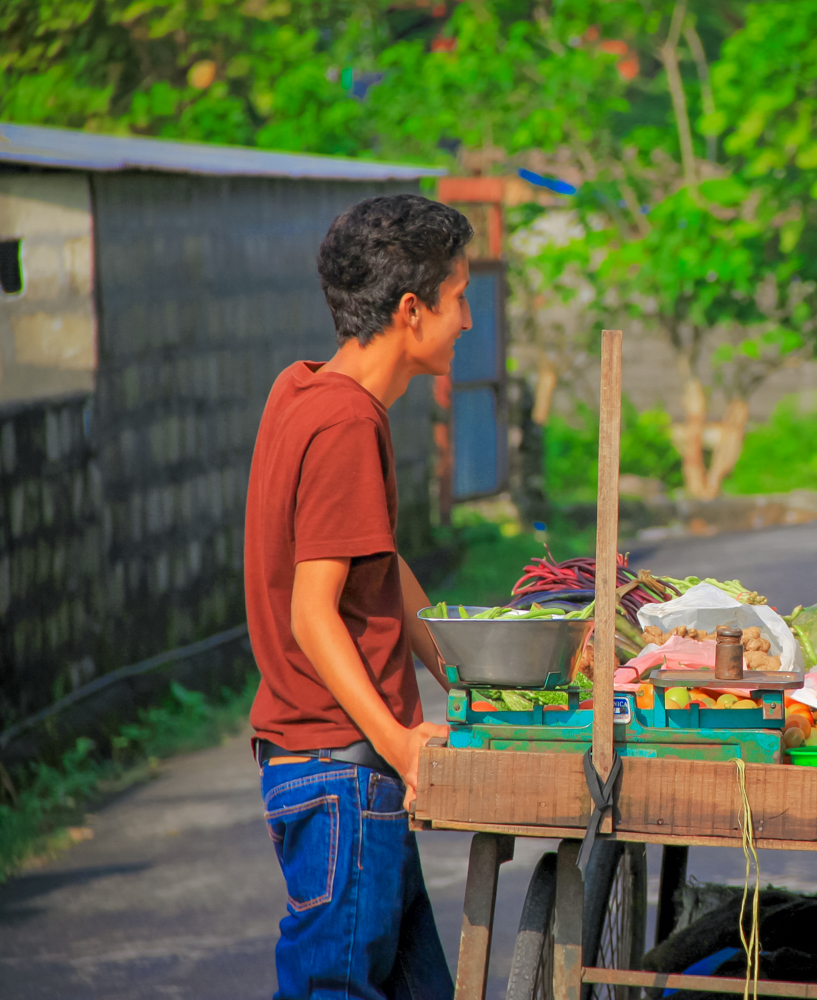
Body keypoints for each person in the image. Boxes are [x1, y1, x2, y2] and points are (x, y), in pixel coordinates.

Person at [244, 194, 471, 999]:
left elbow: (377, 566)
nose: (469, 320)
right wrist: (402, 740)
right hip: (342, 774)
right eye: (460, 296)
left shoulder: (299, 388)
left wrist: (469, 678)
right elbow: (314, 613)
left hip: (338, 773)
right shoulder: (347, 423)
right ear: (413, 311)